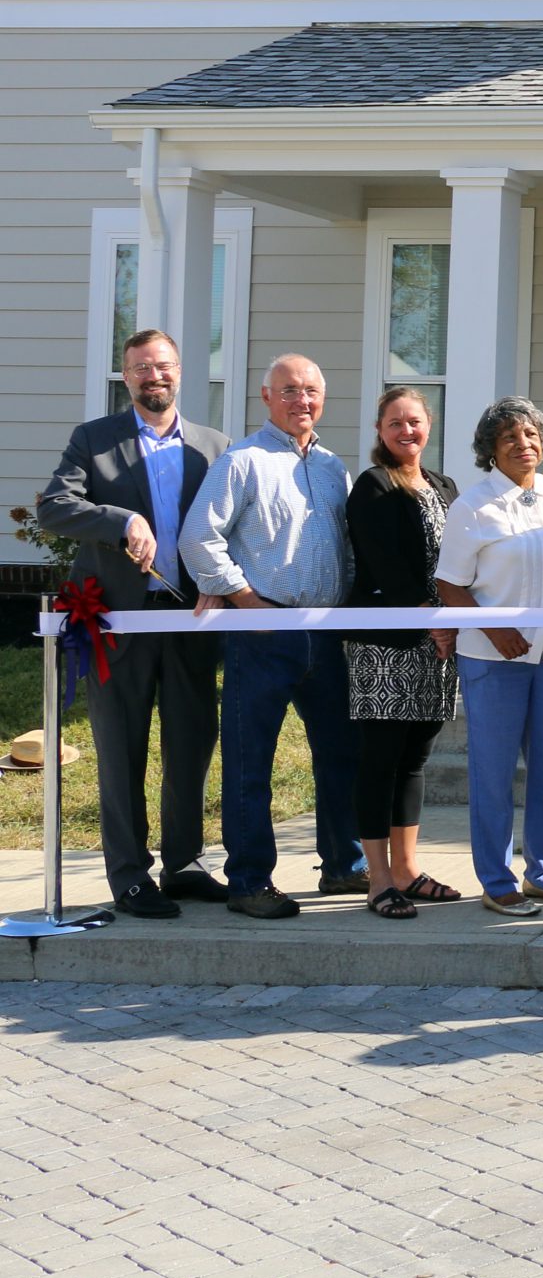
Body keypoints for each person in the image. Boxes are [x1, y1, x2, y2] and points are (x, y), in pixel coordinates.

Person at [36, 329, 230, 917]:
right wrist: (121, 520)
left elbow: (234, 524)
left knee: (192, 743)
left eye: (164, 366)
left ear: (180, 372)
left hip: (192, 617)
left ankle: (183, 863)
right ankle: (128, 874)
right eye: (142, 369)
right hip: (118, 620)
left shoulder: (215, 447)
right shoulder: (94, 441)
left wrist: (226, 585)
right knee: (122, 749)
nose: (155, 377)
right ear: (127, 377)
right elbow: (53, 507)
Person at [177, 353, 360, 920]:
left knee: (339, 754)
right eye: (288, 390)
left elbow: (349, 548)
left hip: (328, 630)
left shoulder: (333, 467)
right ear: (265, 396)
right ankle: (250, 879)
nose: (301, 400)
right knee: (250, 759)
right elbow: (198, 537)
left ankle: (342, 863)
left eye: (310, 390)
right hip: (262, 631)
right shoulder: (242, 461)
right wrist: (242, 597)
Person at [436, 398, 543, 917]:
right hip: (493, 657)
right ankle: (496, 880)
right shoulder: (472, 506)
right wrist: (494, 628)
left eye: (530, 434)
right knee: (495, 773)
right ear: (490, 451)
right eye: (509, 439)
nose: (524, 444)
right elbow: (448, 584)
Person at [343, 387, 463, 920]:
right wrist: (427, 617)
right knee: (381, 760)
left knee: (414, 759)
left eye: (414, 421)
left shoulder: (444, 486)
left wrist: (450, 622)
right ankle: (379, 879)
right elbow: (382, 562)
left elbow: (459, 557)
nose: (406, 431)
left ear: (429, 425)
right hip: (388, 642)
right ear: (380, 430)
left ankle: (408, 870)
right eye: (395, 423)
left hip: (439, 645)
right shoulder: (372, 486)